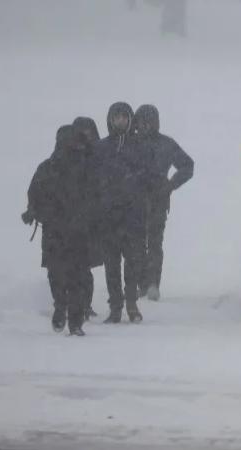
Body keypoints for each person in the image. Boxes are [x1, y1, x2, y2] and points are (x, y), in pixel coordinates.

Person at [22, 124, 94, 336]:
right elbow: (34, 193)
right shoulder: (48, 167)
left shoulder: (86, 168)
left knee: (76, 276)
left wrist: (97, 218)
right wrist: (31, 211)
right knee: (58, 274)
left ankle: (74, 320)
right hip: (56, 230)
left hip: (77, 231)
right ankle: (62, 308)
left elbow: (98, 196)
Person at [94, 102, 150, 324]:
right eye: (116, 118)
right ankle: (115, 306)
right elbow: (93, 179)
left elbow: (149, 176)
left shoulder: (140, 147)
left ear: (129, 120)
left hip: (133, 215)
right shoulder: (100, 148)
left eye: (124, 117)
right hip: (108, 216)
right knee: (111, 264)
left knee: (133, 263)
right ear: (110, 120)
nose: (120, 121)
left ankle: (131, 304)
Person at [132, 104, 194, 301]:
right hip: (132, 202)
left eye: (150, 121)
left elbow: (187, 165)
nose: (146, 125)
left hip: (158, 201)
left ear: (156, 122)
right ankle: (141, 284)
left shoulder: (166, 144)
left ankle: (152, 285)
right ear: (137, 122)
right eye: (143, 121)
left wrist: (170, 185)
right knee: (136, 244)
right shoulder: (130, 143)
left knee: (155, 243)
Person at [72, 116, 102, 320]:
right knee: (71, 265)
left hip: (92, 219)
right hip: (71, 218)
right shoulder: (67, 156)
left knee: (84, 266)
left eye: (89, 131)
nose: (86, 135)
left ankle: (84, 305)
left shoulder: (100, 155)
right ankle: (70, 304)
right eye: (82, 131)